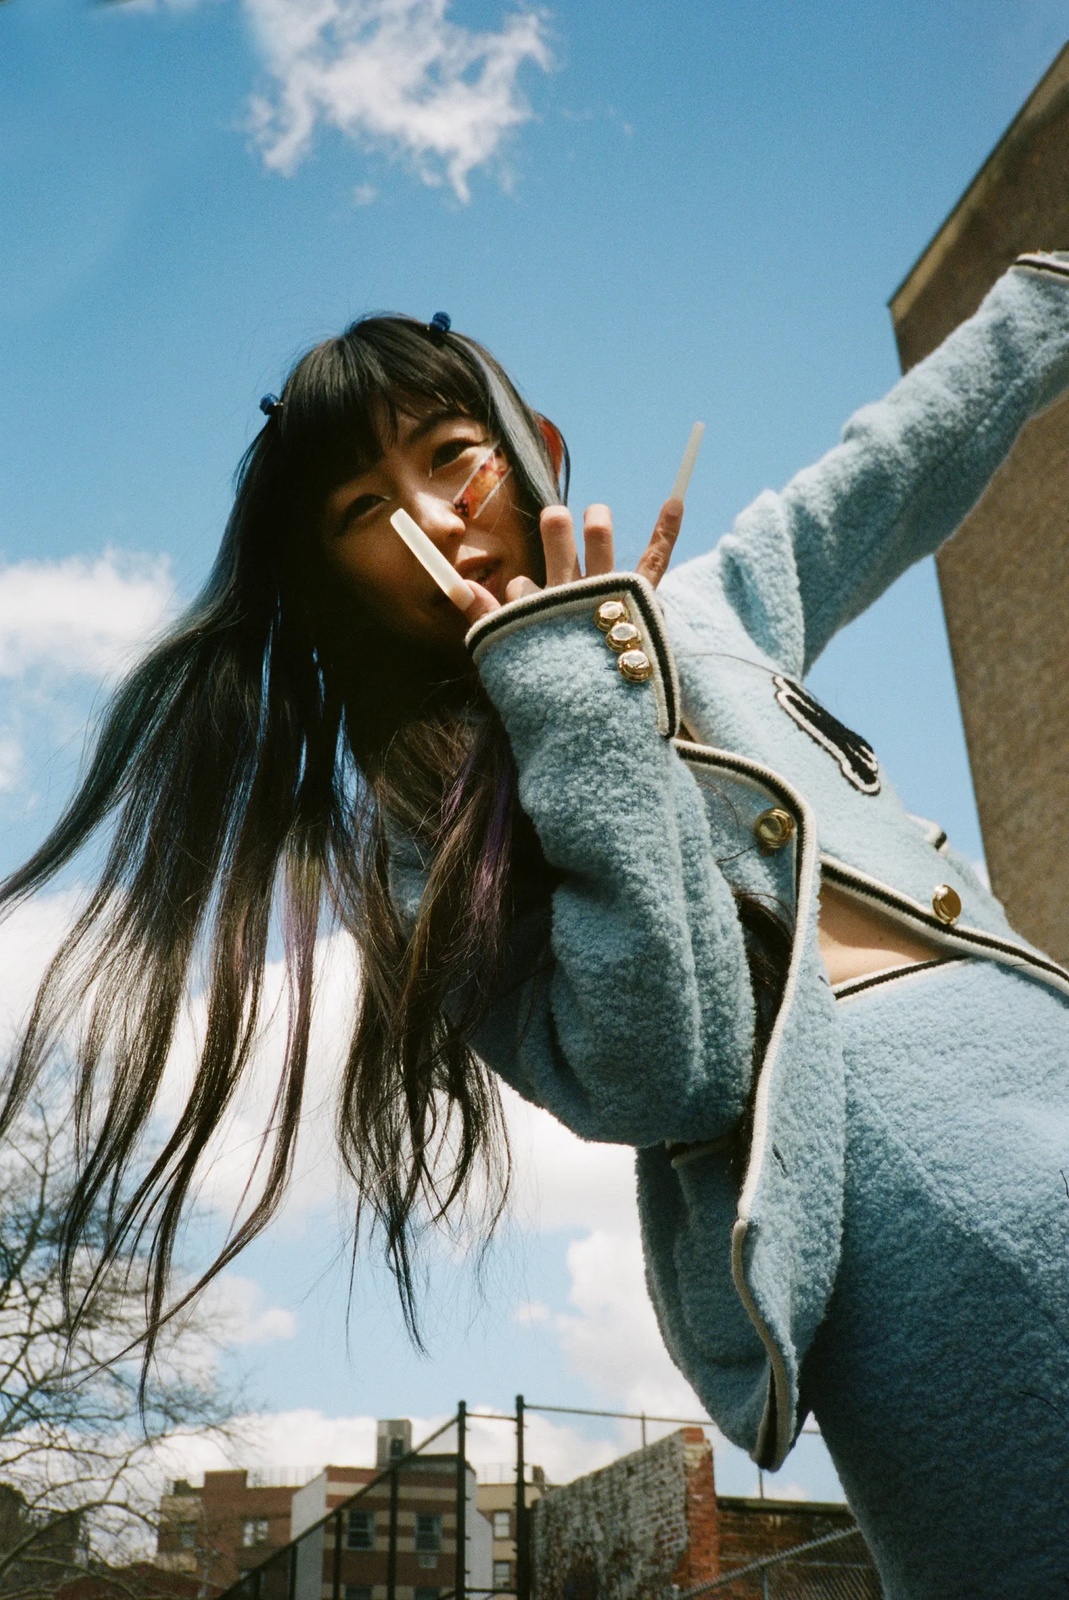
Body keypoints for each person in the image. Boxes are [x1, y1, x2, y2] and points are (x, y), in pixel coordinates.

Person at [4, 255, 1069, 1597]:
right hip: (916, 1202)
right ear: (330, 581)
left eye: (452, 458)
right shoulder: (416, 836)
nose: (430, 523)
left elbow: (884, 469)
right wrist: (566, 690)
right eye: (358, 512)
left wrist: (1045, 296)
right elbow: (664, 1069)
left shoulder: (704, 614)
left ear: (533, 450)